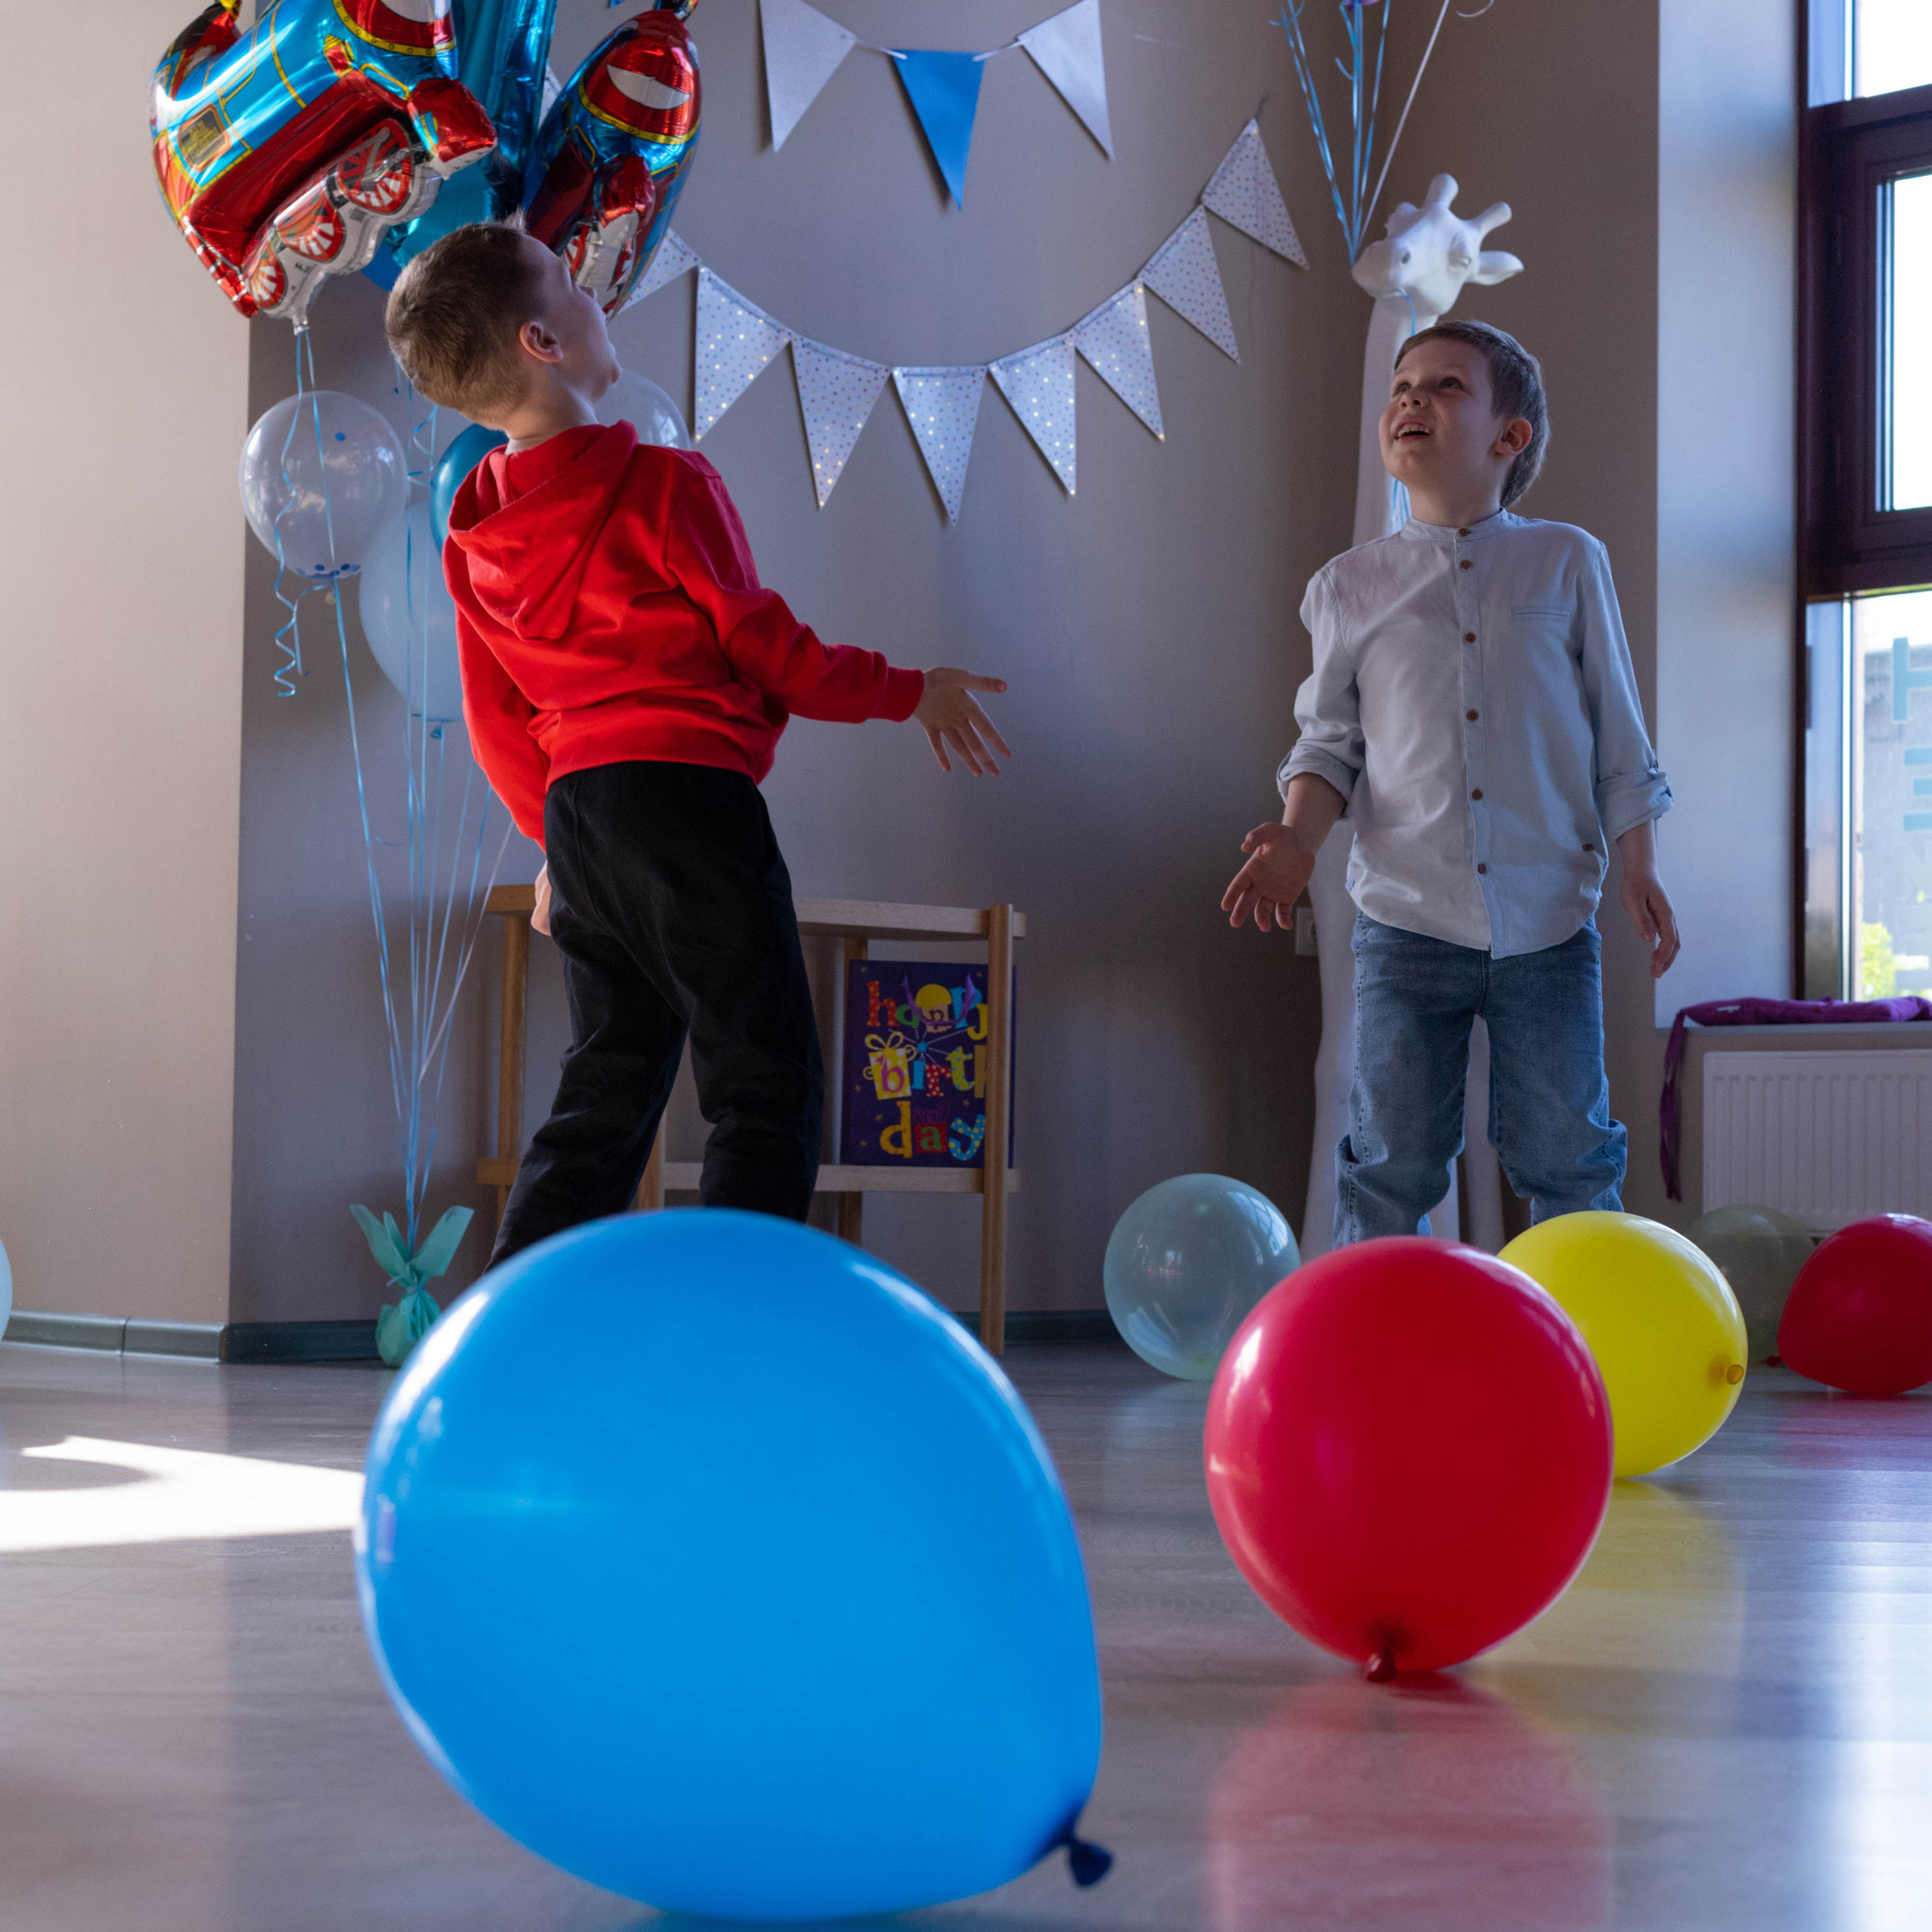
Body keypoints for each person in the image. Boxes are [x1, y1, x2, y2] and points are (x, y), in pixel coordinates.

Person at [384, 220, 1010, 1263]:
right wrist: (912, 693)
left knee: (605, 1086)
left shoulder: (473, 534)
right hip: (689, 803)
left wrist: (557, 852)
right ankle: (737, 1324)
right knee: (764, 1078)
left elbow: (498, 725)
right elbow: (775, 653)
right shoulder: (668, 487)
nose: (595, 294)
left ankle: (514, 1326)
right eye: (569, 286)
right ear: (543, 343)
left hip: (584, 815)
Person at [1220, 318, 1678, 1244]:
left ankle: (1585, 1352)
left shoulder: (1565, 561)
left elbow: (1617, 735)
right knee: (1390, 1161)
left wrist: (1636, 862)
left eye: (1444, 387)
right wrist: (1295, 839)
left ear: (1509, 439)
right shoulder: (1347, 587)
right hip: (1404, 917)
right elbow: (1328, 744)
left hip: (1547, 916)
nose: (1409, 401)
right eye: (1400, 387)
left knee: (1567, 1155)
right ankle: (1373, 1355)